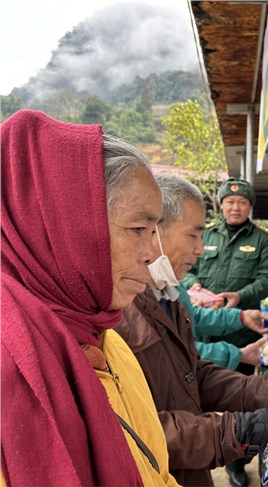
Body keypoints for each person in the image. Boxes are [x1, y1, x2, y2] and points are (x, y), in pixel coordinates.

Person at [116, 173, 268, 486]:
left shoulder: (168, 295)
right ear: (155, 230)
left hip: (188, 470)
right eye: (193, 236)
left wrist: (260, 391)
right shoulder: (118, 311)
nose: (201, 249)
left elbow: (191, 373)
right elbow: (136, 431)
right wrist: (240, 431)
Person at [1, 110, 178, 486]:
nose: (151, 254)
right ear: (66, 228)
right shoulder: (11, 371)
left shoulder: (107, 338)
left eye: (153, 233)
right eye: (137, 229)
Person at [183, 177, 268, 486]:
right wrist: (193, 287)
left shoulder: (263, 239)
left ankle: (236, 463)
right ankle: (198, 449)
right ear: (221, 205)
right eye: (229, 202)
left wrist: (242, 297)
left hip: (241, 332)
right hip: (203, 328)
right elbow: (186, 269)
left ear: (249, 207)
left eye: (241, 202)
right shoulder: (205, 234)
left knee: (237, 398)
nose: (235, 207)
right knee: (197, 392)